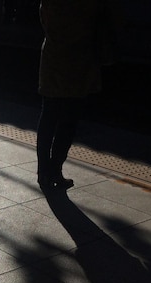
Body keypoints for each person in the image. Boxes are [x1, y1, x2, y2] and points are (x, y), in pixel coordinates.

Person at [36, 0, 121, 190]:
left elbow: (45, 19)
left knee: (49, 117)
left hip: (55, 58)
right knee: (68, 121)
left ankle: (44, 173)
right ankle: (54, 170)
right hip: (79, 62)